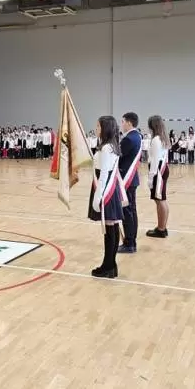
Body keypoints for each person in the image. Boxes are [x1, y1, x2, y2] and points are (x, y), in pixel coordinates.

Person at [87, 116, 125, 279]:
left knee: (110, 228)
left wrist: (98, 196)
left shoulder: (107, 148)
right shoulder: (110, 145)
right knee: (112, 226)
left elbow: (103, 174)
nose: (96, 128)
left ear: (105, 128)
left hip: (105, 189)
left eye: (98, 126)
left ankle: (108, 266)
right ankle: (111, 265)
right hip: (108, 187)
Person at [118, 112, 143, 253]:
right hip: (132, 178)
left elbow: (118, 156)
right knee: (132, 211)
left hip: (126, 179)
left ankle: (129, 243)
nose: (121, 124)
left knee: (127, 212)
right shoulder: (137, 136)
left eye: (123, 121)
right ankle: (131, 241)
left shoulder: (128, 139)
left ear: (129, 122)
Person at [146, 115, 170, 238]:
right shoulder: (163, 138)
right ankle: (162, 227)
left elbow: (155, 160)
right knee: (161, 199)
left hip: (158, 171)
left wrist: (151, 178)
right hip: (163, 168)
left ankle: (161, 229)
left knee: (160, 200)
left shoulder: (156, 139)